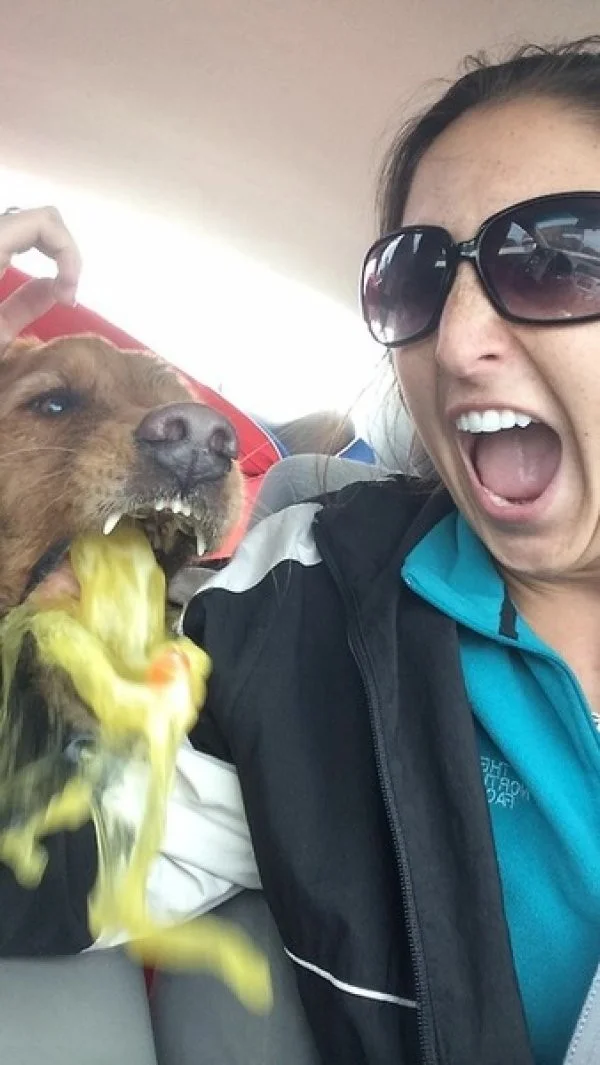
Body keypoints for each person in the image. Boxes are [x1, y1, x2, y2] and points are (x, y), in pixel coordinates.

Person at [0, 36, 599, 1065]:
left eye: (554, 258)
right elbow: (46, 871)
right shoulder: (294, 624)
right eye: (413, 280)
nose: (459, 342)